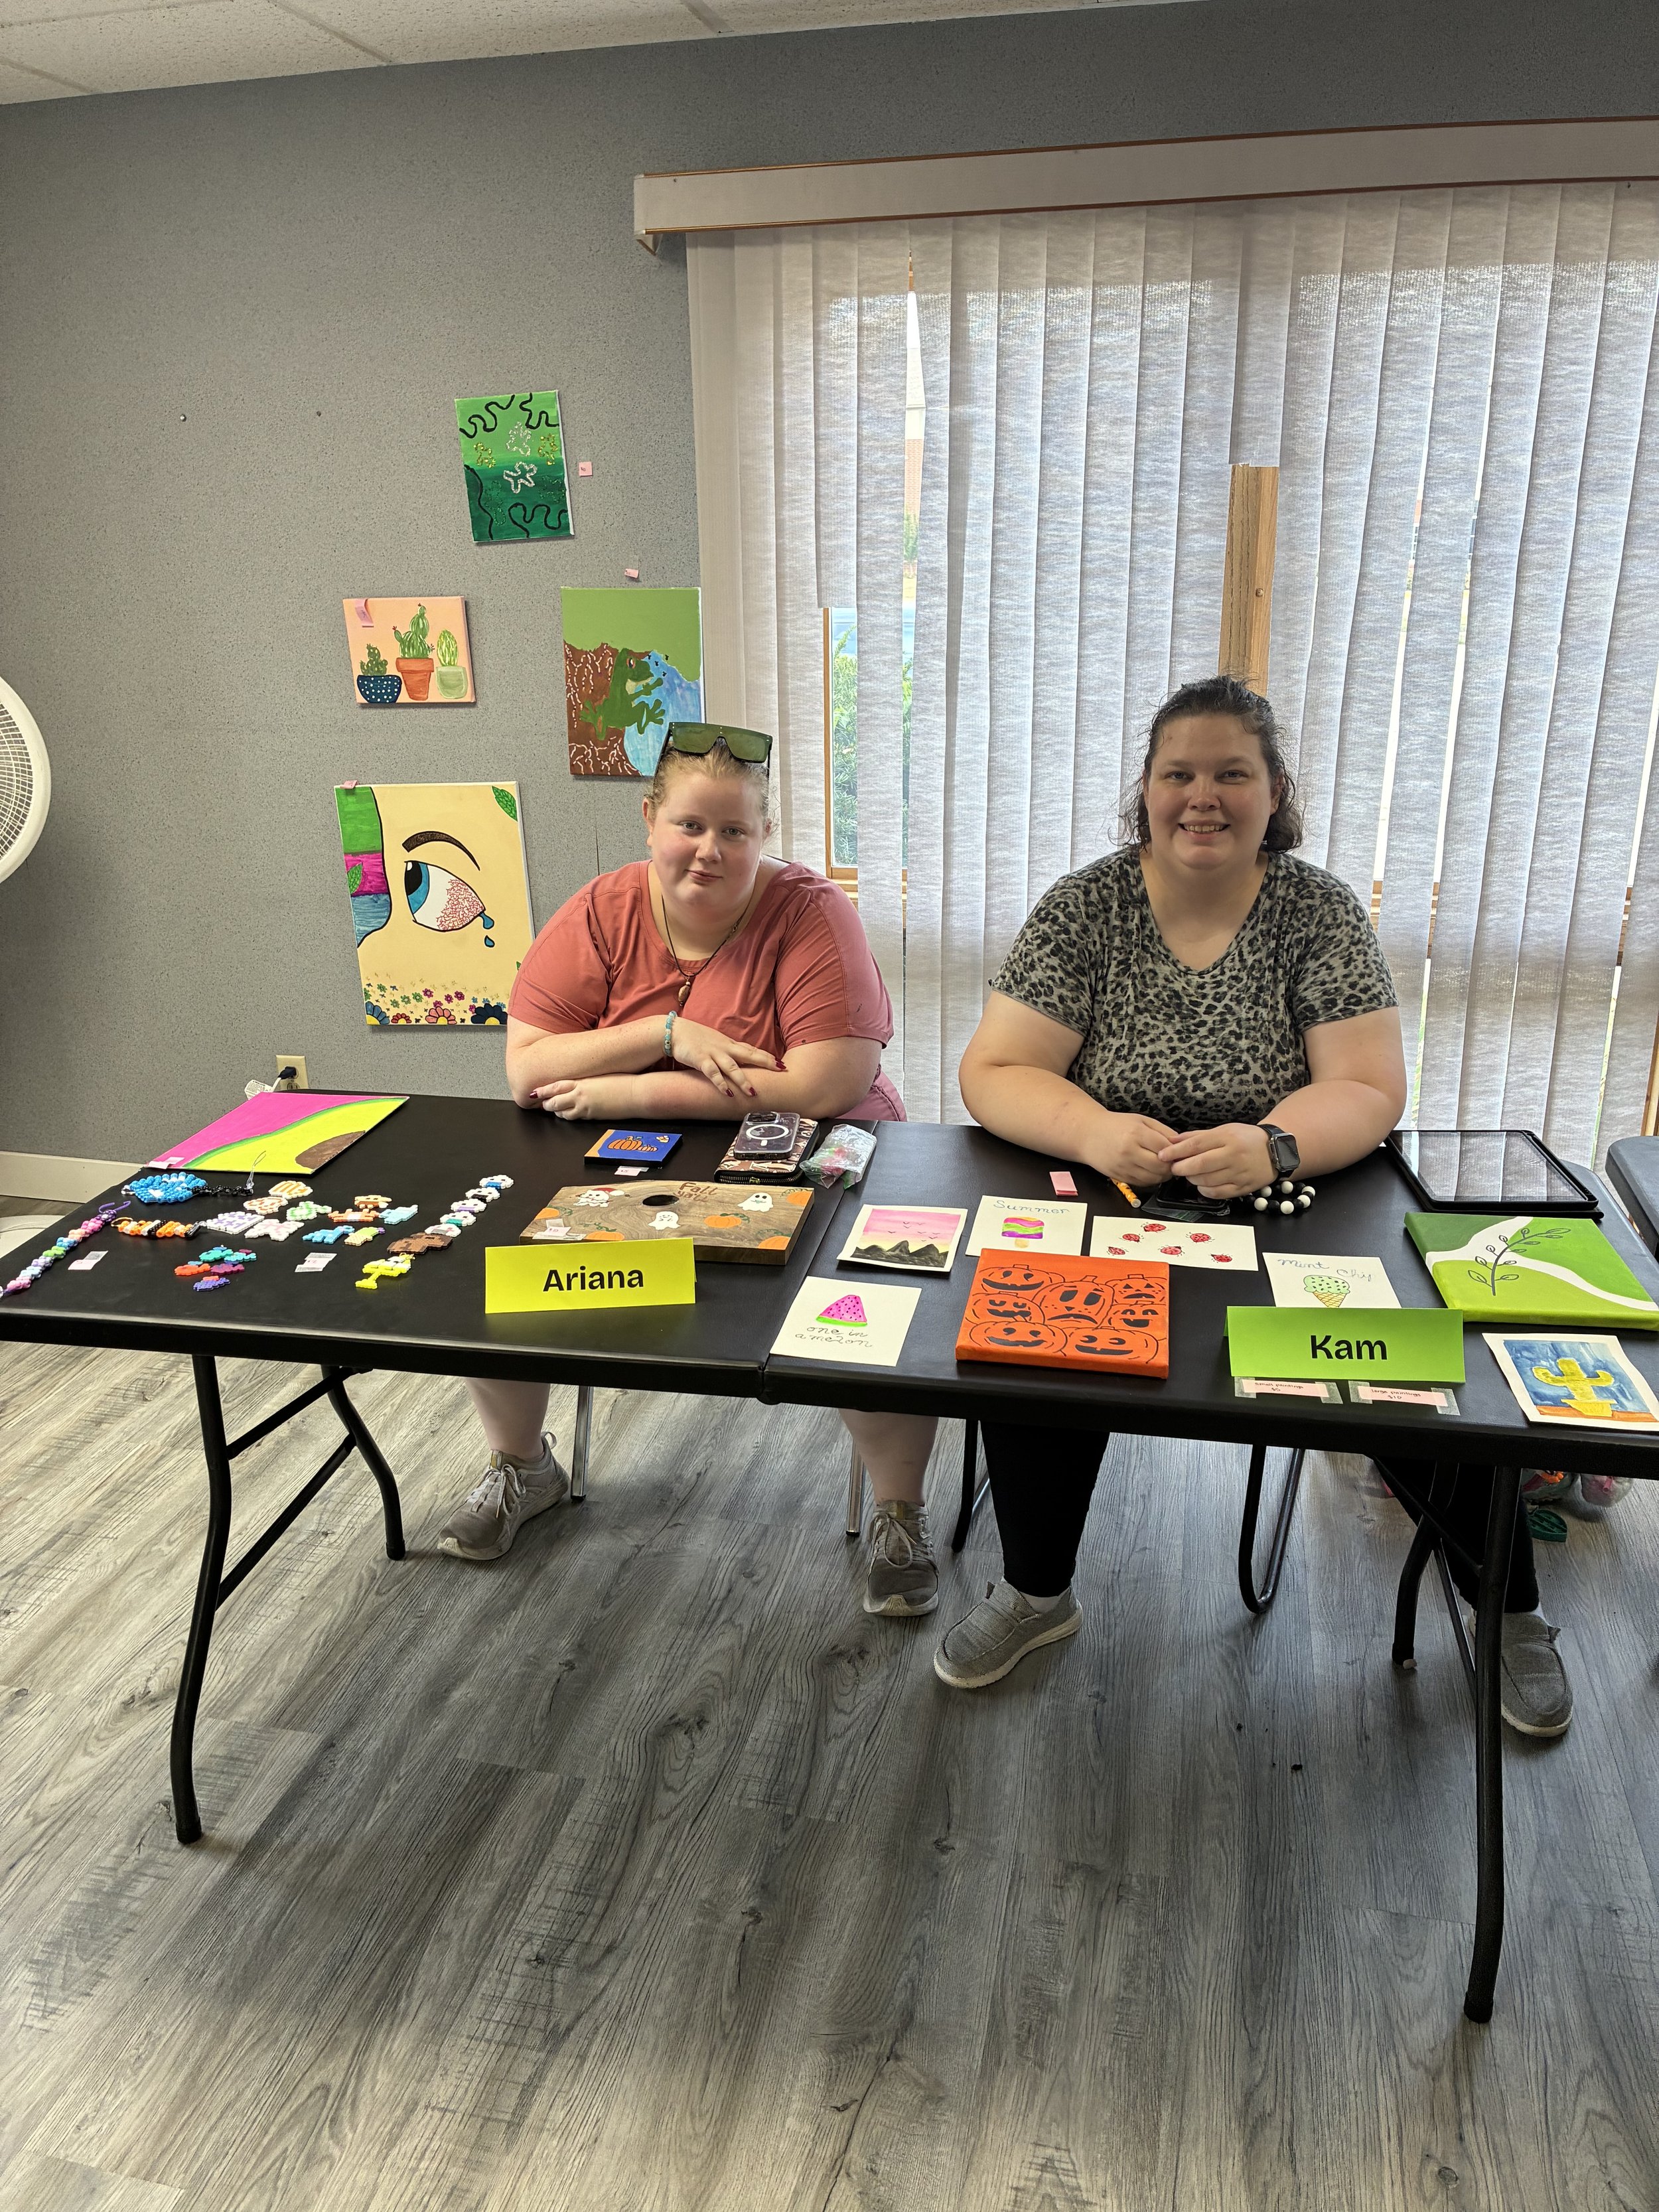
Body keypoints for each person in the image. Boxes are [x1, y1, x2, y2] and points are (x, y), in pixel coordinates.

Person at [943, 674, 1571, 1738]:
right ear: (1142, 790)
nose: (1204, 795)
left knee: (1407, 1376)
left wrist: (1273, 1139)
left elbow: (1370, 1089)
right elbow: (995, 1070)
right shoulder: (1085, 906)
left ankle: (1507, 1609)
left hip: (1293, 1202)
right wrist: (1096, 1129)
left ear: (1275, 791)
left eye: (1232, 773)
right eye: (1178, 772)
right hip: (1115, 1200)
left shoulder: (1316, 909)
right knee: (1031, 1350)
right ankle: (1036, 1591)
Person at [438, 723, 940, 1617]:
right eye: (691, 825)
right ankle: (523, 1466)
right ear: (649, 820)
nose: (711, 850)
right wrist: (667, 1035)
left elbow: (826, 1083)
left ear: (765, 834)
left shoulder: (813, 913)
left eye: (736, 832)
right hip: (645, 1169)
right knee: (503, 1276)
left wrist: (638, 1092)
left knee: (869, 1312)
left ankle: (900, 1510)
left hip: (824, 1159)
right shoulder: (601, 908)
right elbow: (529, 1070)